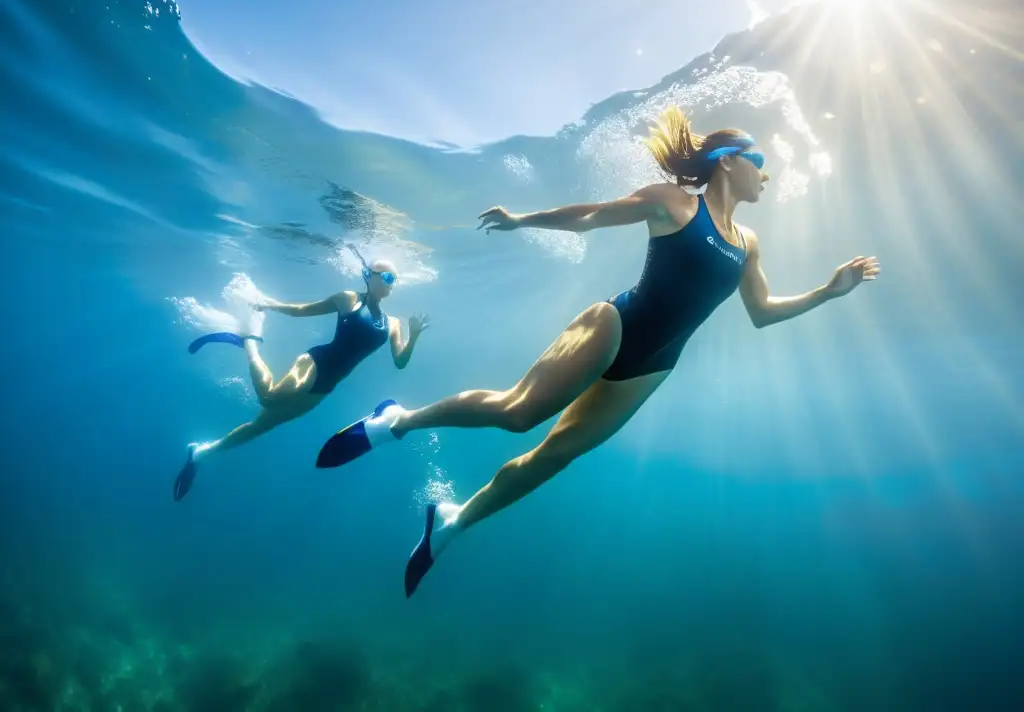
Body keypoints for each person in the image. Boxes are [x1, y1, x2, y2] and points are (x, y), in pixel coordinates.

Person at [318, 105, 880, 597]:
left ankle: (453, 523)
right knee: (519, 414)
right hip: (616, 324)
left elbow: (763, 313)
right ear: (731, 159)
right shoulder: (675, 204)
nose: (769, 176)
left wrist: (829, 292)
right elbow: (591, 214)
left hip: (655, 363)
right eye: (762, 163)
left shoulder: (747, 242)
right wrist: (521, 219)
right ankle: (398, 421)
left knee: (555, 455)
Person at [173, 249, 429, 501]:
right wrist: (271, 304)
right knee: (269, 397)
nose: (391, 284)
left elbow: (400, 362)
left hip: (329, 382)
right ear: (369, 275)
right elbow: (302, 309)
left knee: (262, 425)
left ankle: (200, 454)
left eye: (394, 280)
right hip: (317, 362)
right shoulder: (348, 299)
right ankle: (250, 340)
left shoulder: (393, 324)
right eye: (387, 277)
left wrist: (414, 335)